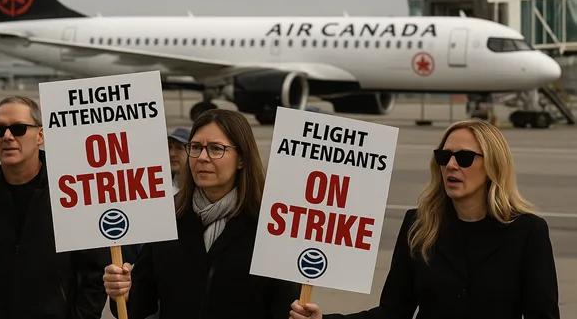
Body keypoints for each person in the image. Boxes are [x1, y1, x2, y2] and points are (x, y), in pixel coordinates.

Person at [289, 118, 560, 319]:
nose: (451, 165)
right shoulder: (419, 225)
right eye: (444, 156)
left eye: (464, 158)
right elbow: (394, 311)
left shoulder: (527, 231)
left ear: (493, 165)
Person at [103, 108, 301, 318]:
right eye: (196, 147)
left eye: (216, 149)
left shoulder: (270, 226)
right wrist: (122, 292)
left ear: (241, 159)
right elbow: (140, 305)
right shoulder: (167, 218)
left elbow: (284, 309)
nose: (203, 157)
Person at [0, 96, 110, 319]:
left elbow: (94, 272)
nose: (7, 137)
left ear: (40, 136)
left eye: (18, 128)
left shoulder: (71, 190)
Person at [120, 126, 190, 267]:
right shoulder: (155, 186)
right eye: (169, 147)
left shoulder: (198, 192)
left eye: (179, 148)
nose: (172, 153)